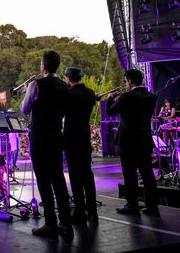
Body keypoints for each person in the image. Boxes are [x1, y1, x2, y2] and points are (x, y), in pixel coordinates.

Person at [20, 50, 72, 238]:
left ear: (43, 65)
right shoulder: (65, 86)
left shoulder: (36, 85)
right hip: (57, 135)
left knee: (43, 179)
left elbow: (24, 110)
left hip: (40, 136)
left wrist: (28, 91)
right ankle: (66, 223)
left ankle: (50, 223)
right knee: (58, 178)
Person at [106, 68, 159, 217]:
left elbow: (110, 111)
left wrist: (111, 97)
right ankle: (152, 207)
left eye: (125, 81)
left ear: (129, 80)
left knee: (129, 174)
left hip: (128, 141)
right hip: (144, 139)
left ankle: (132, 205)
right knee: (147, 174)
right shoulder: (151, 96)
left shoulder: (126, 96)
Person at [63, 67, 98, 224]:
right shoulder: (90, 93)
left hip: (71, 137)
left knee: (75, 176)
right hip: (85, 136)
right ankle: (92, 211)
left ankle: (79, 211)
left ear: (69, 79)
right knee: (87, 174)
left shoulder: (69, 94)